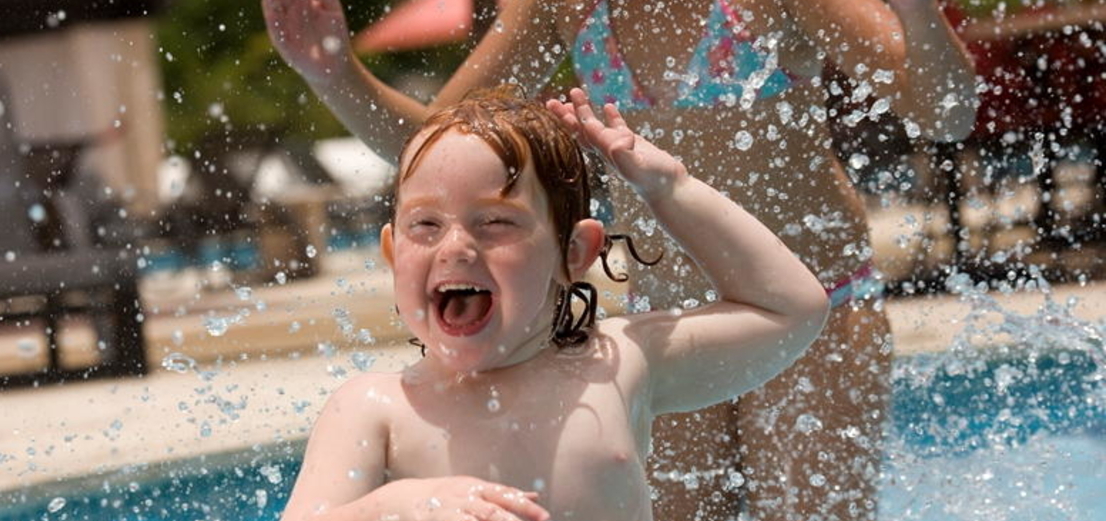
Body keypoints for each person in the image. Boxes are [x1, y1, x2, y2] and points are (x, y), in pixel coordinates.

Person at [262, 1, 978, 518]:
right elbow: (439, 147)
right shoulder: (561, 6)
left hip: (815, 300)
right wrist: (335, 74)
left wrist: (916, 12)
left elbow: (945, 114)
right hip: (661, 323)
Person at [279, 85, 829, 521]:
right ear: (394, 254)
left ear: (575, 252)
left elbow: (792, 310)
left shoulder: (617, 365)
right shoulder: (375, 409)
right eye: (426, 224)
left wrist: (670, 188)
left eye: (495, 222)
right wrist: (391, 509)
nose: (456, 247)